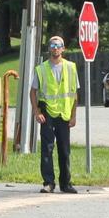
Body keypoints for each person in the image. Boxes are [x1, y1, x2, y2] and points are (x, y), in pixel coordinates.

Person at [30, 35, 78, 194]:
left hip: (64, 115)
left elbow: (74, 94)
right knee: (47, 150)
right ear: (48, 48)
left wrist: (73, 116)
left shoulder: (71, 67)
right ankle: (49, 183)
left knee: (64, 151)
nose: (55, 48)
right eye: (52, 45)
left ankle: (66, 184)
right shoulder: (41, 68)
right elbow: (33, 92)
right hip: (47, 114)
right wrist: (37, 111)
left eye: (58, 45)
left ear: (63, 48)